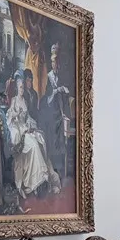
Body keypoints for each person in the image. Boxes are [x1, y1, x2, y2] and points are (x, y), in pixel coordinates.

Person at [5, 71, 60, 203]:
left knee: (40, 140)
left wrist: (32, 125)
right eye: (20, 88)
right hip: (20, 131)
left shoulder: (24, 100)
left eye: (23, 87)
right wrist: (16, 115)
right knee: (34, 145)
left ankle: (42, 179)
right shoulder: (14, 101)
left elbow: (28, 118)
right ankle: (36, 181)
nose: (22, 90)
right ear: (17, 88)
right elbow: (9, 118)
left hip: (27, 129)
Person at [42, 42, 70, 177]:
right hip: (50, 111)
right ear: (51, 63)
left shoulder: (60, 76)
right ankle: (52, 166)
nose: (55, 65)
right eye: (53, 62)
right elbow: (48, 97)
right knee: (52, 136)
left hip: (58, 111)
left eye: (56, 62)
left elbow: (62, 98)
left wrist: (63, 112)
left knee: (60, 138)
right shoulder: (48, 77)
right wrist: (58, 89)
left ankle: (59, 166)